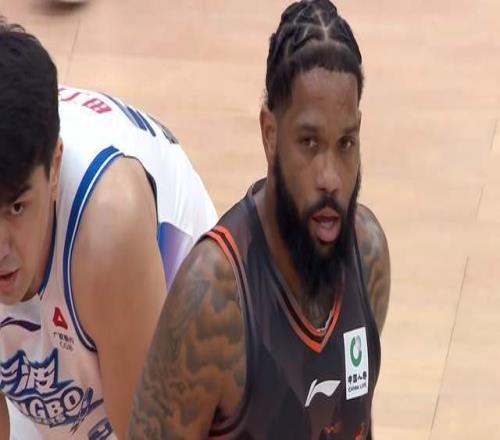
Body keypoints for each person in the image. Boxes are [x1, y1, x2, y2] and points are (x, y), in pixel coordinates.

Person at [128, 0, 390, 439]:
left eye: (345, 144)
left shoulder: (368, 256)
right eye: (309, 143)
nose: (330, 178)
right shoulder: (212, 299)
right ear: (270, 134)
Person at [0, 18, 217, 440]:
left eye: (17, 207)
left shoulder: (110, 226)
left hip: (160, 307)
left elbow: (150, 433)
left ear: (54, 168)